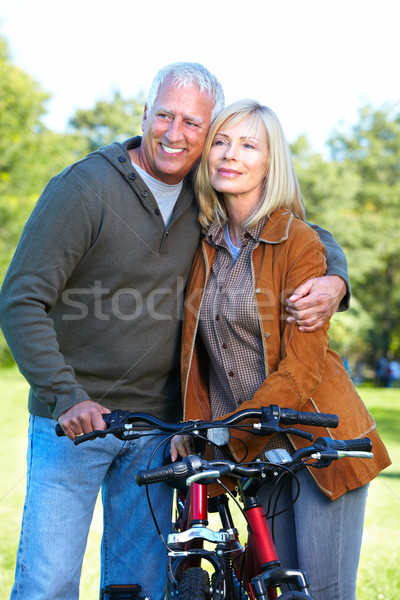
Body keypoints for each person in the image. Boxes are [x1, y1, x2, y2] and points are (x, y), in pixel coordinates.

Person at [0, 62, 349, 600]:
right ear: (145, 115)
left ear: (206, 135)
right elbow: (21, 299)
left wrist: (336, 279)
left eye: (193, 123)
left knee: (138, 585)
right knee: (48, 582)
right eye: (165, 115)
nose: (175, 133)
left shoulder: (203, 196)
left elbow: (299, 228)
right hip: (75, 419)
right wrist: (65, 395)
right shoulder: (84, 189)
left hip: (158, 429)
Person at [171, 100, 391, 600]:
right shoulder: (204, 245)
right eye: (222, 142)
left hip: (317, 442)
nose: (231, 155)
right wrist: (196, 428)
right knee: (274, 588)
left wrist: (232, 430)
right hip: (255, 447)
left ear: (271, 164)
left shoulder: (300, 242)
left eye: (249, 145)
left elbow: (304, 367)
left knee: (321, 592)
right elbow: (195, 359)